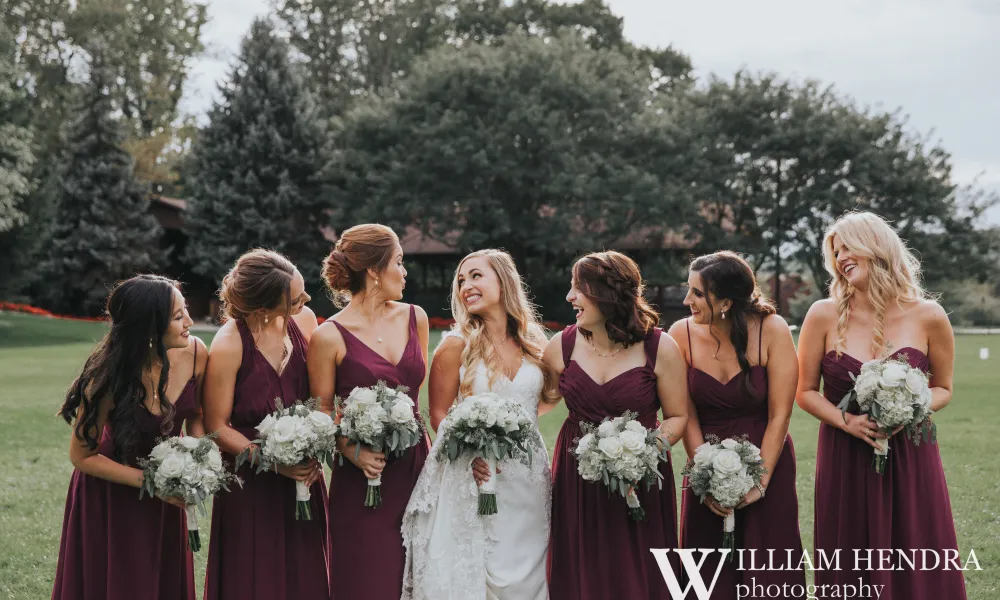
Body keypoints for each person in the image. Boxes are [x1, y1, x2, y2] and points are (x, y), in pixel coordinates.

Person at [796, 211, 967, 600]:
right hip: (845, 455)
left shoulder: (929, 316)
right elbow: (804, 392)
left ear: (877, 248)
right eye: (835, 252)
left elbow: (943, 387)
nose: (840, 258)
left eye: (847, 247)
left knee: (917, 548)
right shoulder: (822, 314)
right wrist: (847, 422)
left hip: (910, 452)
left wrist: (912, 409)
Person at [401, 249, 555, 600]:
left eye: (475, 276)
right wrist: (474, 451)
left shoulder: (534, 342)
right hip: (478, 474)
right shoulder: (455, 345)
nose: (465, 286)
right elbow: (438, 413)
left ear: (504, 280)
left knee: (531, 569)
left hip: (529, 480)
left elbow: (542, 402)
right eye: (460, 280)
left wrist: (515, 433)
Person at [52, 275, 206, 600]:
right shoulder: (107, 377)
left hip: (168, 486)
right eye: (178, 316)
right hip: (112, 493)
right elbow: (82, 457)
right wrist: (152, 482)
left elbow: (197, 416)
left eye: (186, 310)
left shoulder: (195, 353)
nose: (190, 321)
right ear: (149, 328)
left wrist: (198, 462)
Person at [545, 250, 689, 600]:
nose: (570, 297)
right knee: (583, 569)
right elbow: (537, 401)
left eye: (578, 288)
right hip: (578, 481)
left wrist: (641, 454)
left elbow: (678, 416)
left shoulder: (659, 346)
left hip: (642, 476)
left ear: (607, 295)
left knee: (640, 571)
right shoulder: (559, 347)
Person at [667, 251, 804, 598]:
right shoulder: (679, 334)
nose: (687, 301)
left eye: (697, 293)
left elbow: (780, 414)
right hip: (704, 456)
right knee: (707, 568)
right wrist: (705, 474)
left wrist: (761, 480)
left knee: (768, 563)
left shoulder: (772, 329)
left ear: (726, 301)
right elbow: (687, 413)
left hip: (766, 456)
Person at [307, 224, 430, 600]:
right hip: (362, 481)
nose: (405, 271)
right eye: (399, 262)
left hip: (416, 470)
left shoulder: (416, 318)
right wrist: (351, 451)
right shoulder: (328, 336)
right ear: (374, 270)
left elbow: (416, 401)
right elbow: (320, 412)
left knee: (421, 576)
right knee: (368, 580)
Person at [202, 249, 329, 600]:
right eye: (295, 298)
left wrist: (312, 445)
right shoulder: (230, 343)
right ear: (262, 309)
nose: (306, 300)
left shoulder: (304, 322)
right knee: (254, 578)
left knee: (307, 576)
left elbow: (319, 401)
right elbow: (217, 424)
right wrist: (273, 461)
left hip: (304, 475)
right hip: (250, 483)